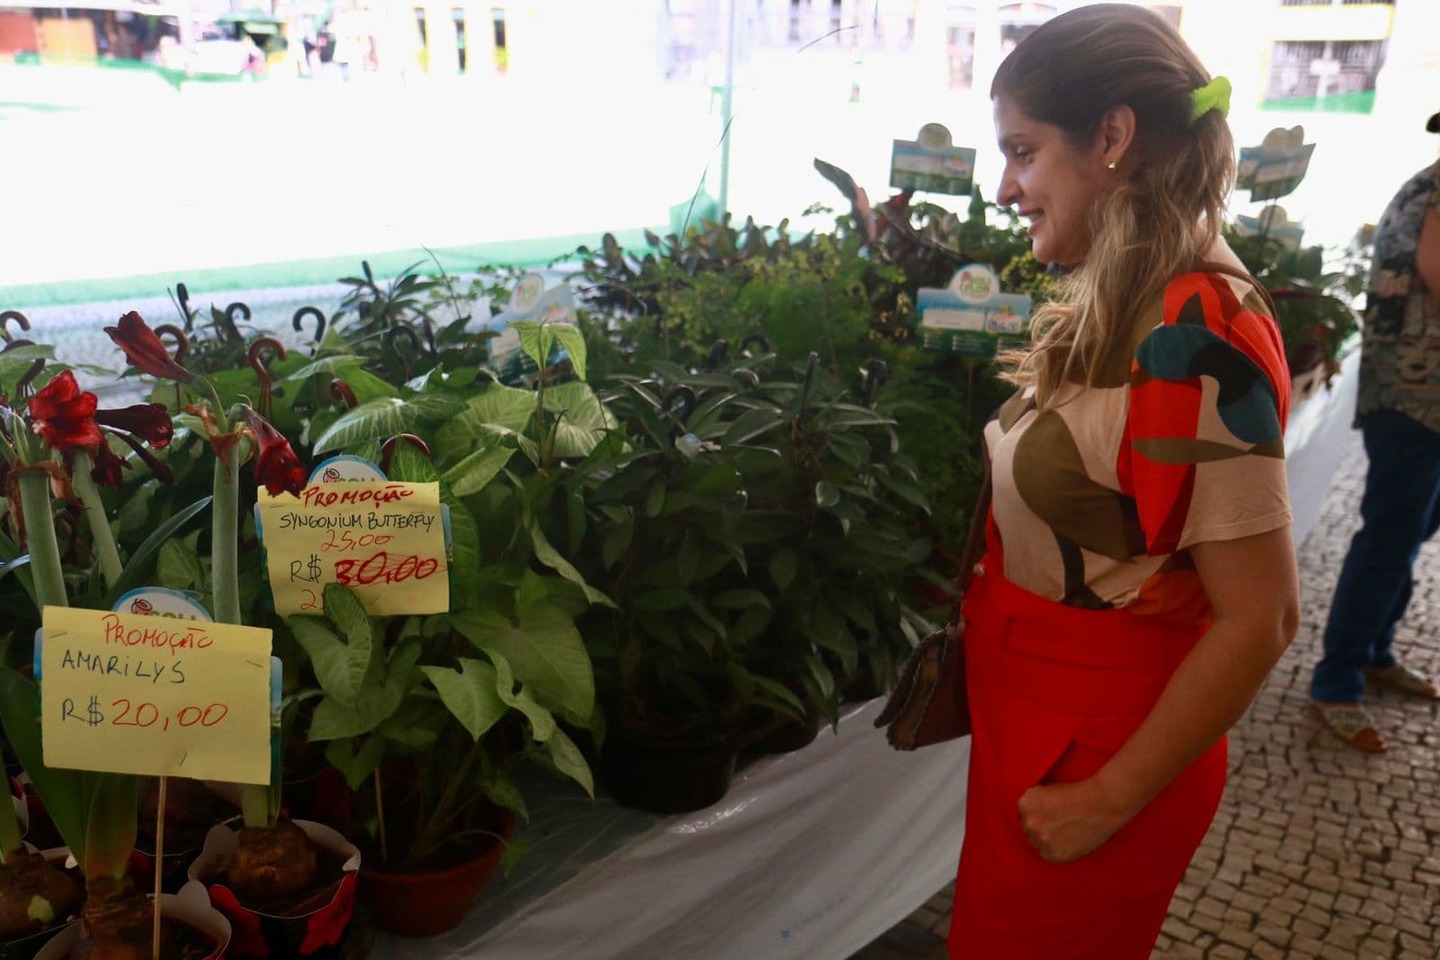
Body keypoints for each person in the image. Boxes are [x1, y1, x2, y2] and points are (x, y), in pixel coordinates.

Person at [949, 6, 1299, 958]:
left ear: (1111, 138)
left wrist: (1106, 801)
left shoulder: (1197, 326)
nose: (1007, 186)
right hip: (1046, 723)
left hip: (1097, 749)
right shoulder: (1131, 286)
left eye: (1023, 151)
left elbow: (1260, 617)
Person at [1307, 111, 1440, 753]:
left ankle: (1375, 651)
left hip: (1425, 397)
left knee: (1409, 531)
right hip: (1413, 400)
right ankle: (1335, 682)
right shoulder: (1435, 193)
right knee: (1390, 535)